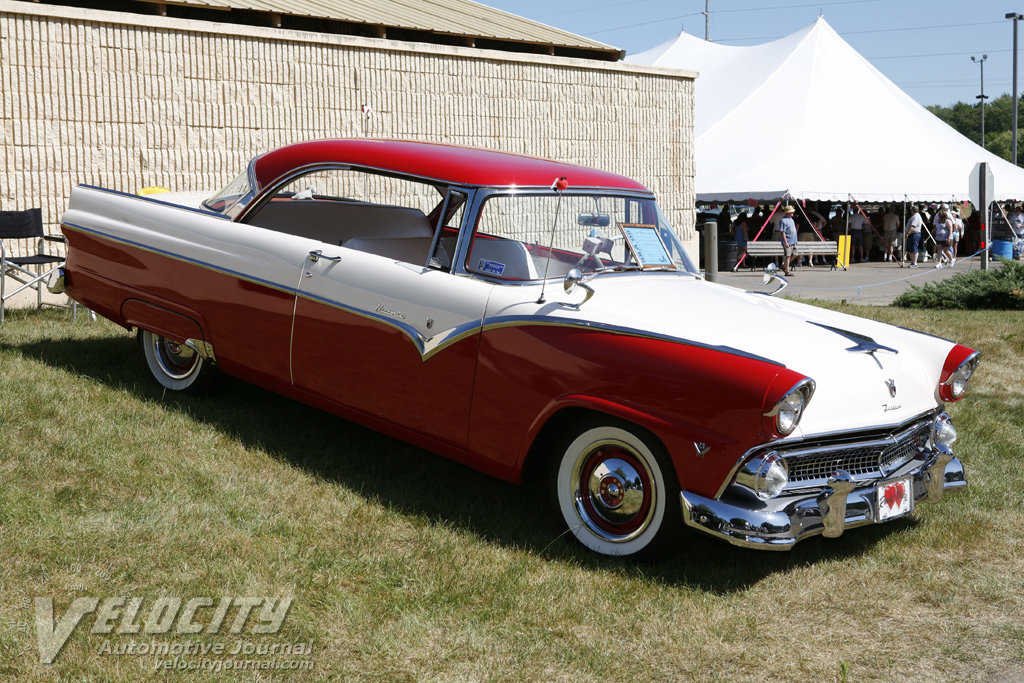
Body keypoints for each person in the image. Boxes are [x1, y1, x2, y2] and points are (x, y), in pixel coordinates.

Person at [779, 205, 798, 276]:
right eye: (791, 212)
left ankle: (784, 266)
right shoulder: (783, 220)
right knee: (788, 256)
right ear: (787, 213)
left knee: (795, 254)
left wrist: (796, 241)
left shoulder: (791, 219)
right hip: (788, 241)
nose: (792, 213)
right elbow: (782, 232)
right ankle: (787, 271)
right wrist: (785, 242)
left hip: (794, 241)